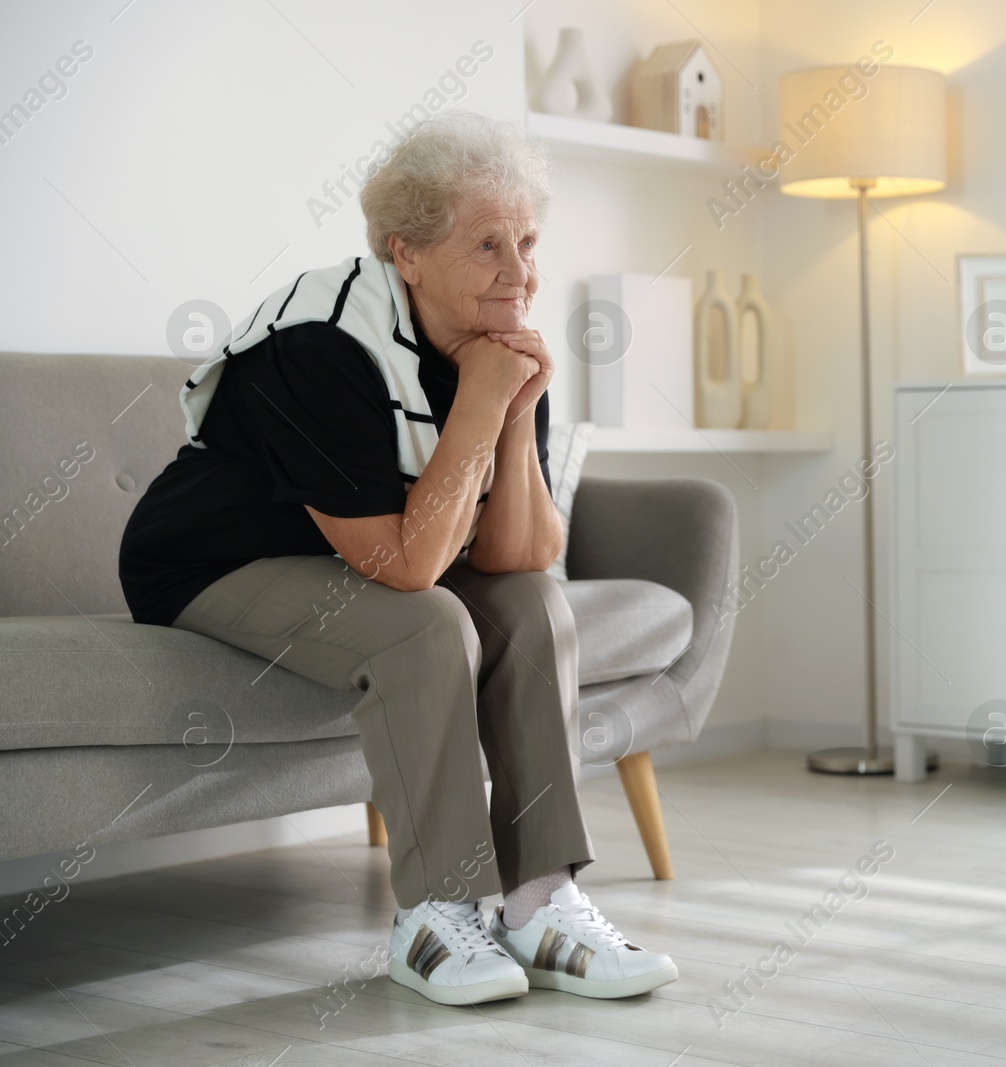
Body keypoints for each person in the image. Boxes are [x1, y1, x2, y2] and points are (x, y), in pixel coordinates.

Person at [117, 111, 676, 1006]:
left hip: (353, 560)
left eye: (527, 240)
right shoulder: (322, 341)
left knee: (532, 606)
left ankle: (540, 900)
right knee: (424, 625)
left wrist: (510, 401)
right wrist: (483, 403)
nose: (519, 270)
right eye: (487, 243)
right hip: (213, 559)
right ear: (405, 254)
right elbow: (410, 571)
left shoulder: (492, 340)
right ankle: (435, 913)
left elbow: (524, 553)